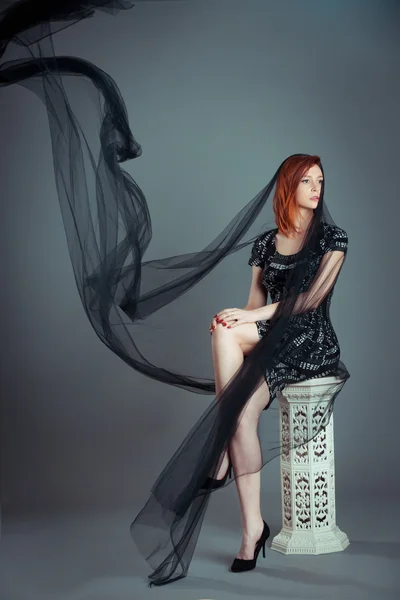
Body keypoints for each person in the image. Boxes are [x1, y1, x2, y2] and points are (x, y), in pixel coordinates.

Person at [206, 158, 348, 571]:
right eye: (306, 180)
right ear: (288, 186)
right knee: (225, 337)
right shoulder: (265, 244)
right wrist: (237, 317)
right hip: (272, 336)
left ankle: (220, 449)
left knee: (231, 339)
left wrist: (249, 318)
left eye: (320, 180)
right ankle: (252, 529)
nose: (316, 188)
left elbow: (310, 301)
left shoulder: (332, 239)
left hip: (310, 339)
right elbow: (253, 305)